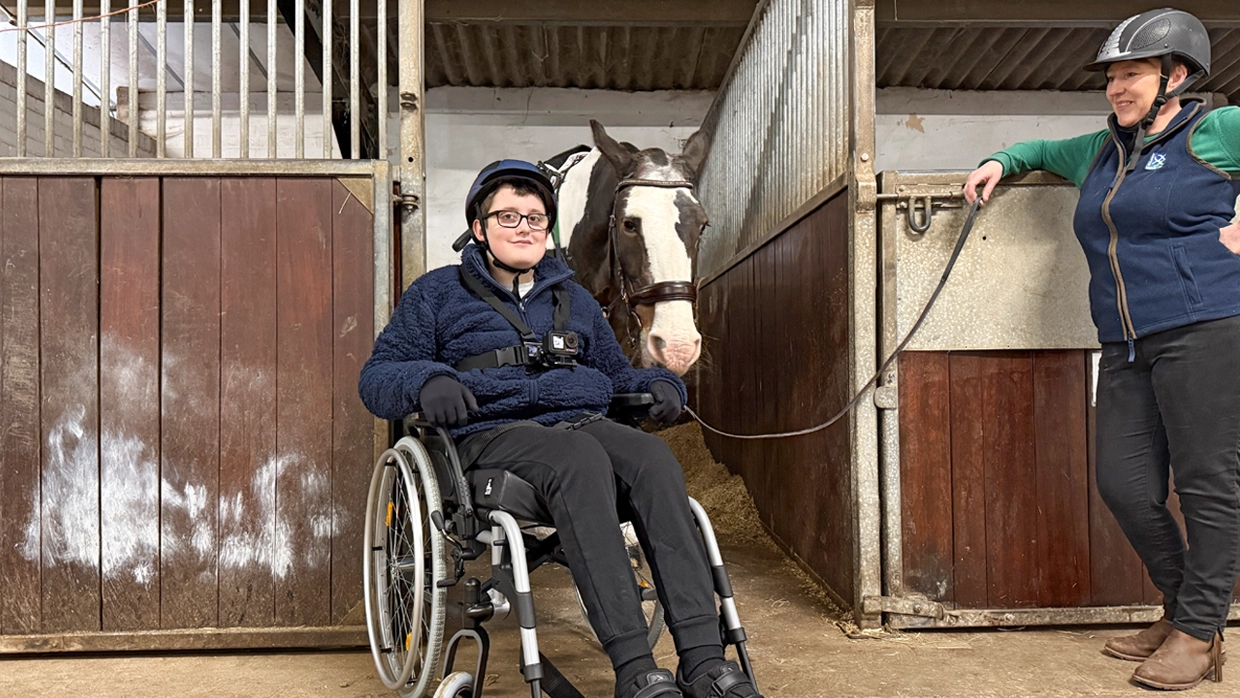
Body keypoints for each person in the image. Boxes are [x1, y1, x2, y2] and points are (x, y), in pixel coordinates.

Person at [358, 160, 762, 698]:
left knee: (654, 460)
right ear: (479, 227)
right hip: (492, 435)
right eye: (508, 216)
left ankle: (705, 661)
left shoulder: (571, 299)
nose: (525, 227)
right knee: (577, 459)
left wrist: (662, 388)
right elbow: (378, 377)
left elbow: (618, 379)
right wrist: (426, 379)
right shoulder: (437, 294)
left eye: (536, 218)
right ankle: (637, 670)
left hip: (582, 424)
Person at [965, 8, 1240, 691]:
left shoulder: (1217, 130)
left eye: (1135, 75)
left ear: (1177, 77)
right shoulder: (1098, 150)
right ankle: (1182, 611)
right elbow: (1032, 151)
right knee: (1123, 484)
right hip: (1122, 344)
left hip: (1208, 329)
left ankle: (1201, 632)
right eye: (1114, 77)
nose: (1119, 88)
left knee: (1209, 485)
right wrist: (999, 161)